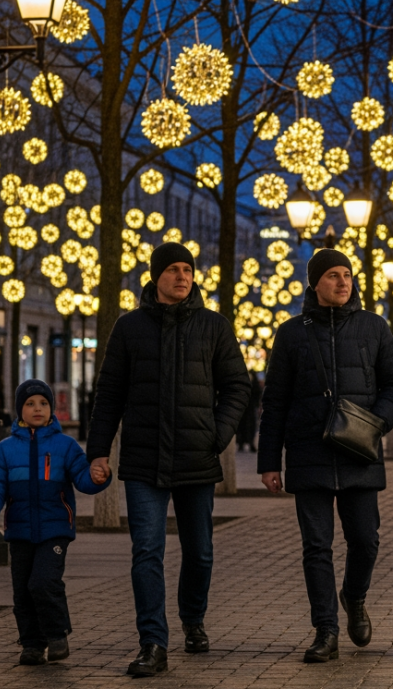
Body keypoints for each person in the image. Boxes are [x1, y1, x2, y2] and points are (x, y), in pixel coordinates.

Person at [88, 242, 251, 677]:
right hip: (143, 462)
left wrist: (216, 436)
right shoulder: (129, 328)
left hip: (197, 459)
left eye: (188, 270)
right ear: (155, 276)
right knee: (147, 552)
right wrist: (98, 452)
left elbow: (238, 386)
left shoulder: (214, 327)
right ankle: (152, 643)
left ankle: (193, 619)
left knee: (199, 553)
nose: (182, 276)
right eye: (174, 270)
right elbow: (108, 394)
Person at [258, 249, 393, 663]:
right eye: (332, 276)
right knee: (316, 547)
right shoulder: (291, 333)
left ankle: (354, 597)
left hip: (360, 453)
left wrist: (375, 423)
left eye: (347, 275)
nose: (343, 282)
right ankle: (325, 629)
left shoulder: (373, 327)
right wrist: (269, 462)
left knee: (366, 540)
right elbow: (275, 402)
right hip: (309, 453)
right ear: (314, 283)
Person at [0, 379, 112, 666]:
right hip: (20, 530)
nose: (37, 408)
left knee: (43, 582)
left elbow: (83, 478)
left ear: (51, 409)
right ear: (19, 410)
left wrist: (99, 476)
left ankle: (57, 634)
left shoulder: (65, 446)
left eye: (43, 403)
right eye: (29, 403)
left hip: (55, 528)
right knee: (23, 590)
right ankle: (32, 644)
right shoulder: (5, 449)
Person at [238, 373, 263, 452]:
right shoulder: (253, 380)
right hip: (247, 407)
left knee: (248, 425)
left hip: (247, 406)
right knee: (247, 425)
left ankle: (245, 443)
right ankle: (244, 443)